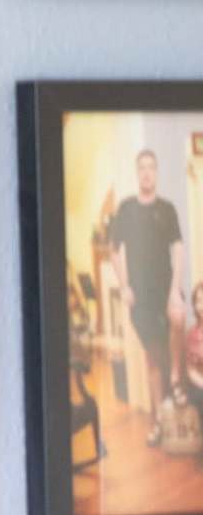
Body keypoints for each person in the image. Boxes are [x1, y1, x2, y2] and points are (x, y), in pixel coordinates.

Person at [113, 148, 190, 429]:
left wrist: (174, 291)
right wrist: (124, 287)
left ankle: (175, 380)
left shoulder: (167, 209)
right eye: (142, 167)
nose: (147, 172)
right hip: (140, 297)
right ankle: (158, 422)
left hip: (164, 289)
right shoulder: (126, 208)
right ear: (138, 173)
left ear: (156, 172)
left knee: (179, 316)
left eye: (151, 167)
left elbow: (178, 249)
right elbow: (113, 250)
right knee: (152, 359)